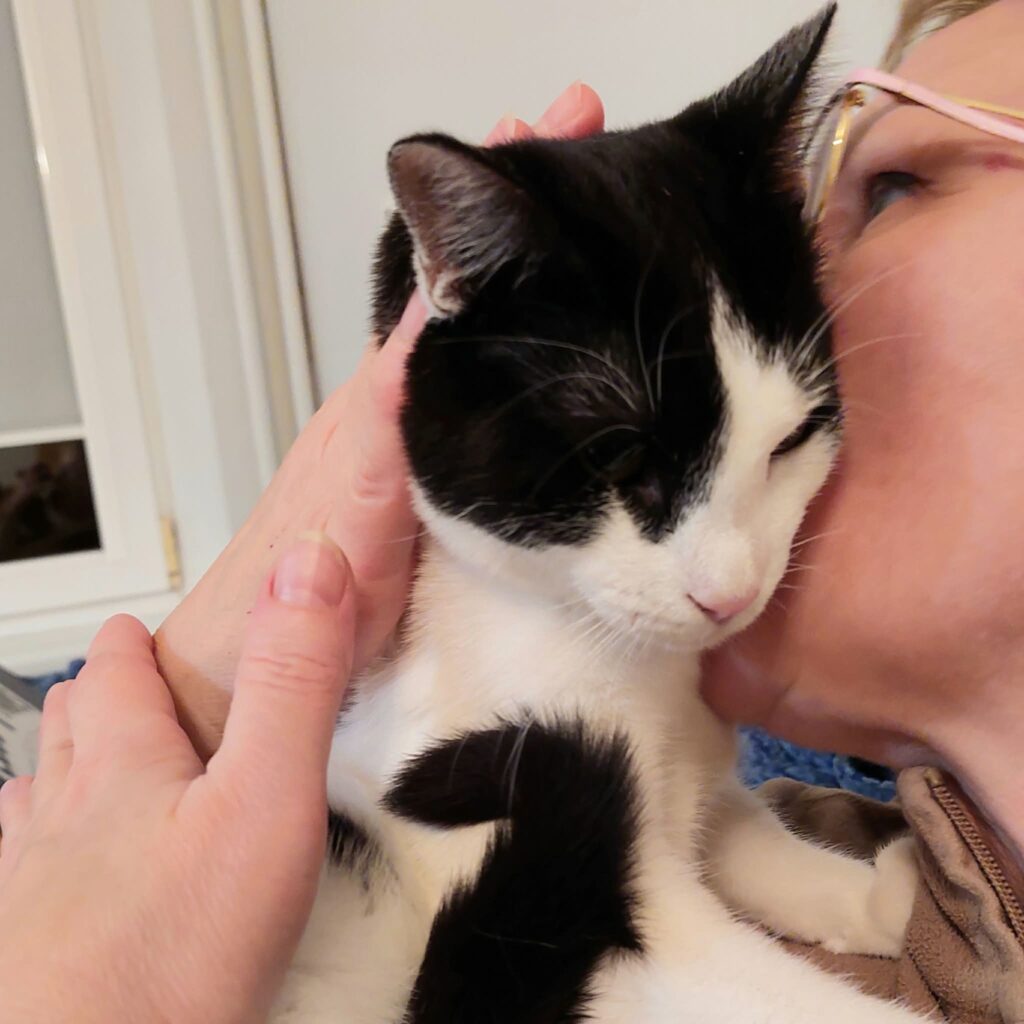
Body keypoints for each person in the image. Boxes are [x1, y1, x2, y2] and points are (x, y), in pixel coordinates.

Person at [1, 0, 1022, 1019]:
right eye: (827, 183)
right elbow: (641, 880)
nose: (731, 583)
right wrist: (214, 660)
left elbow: (615, 927)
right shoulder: (870, 836)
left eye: (890, 185)